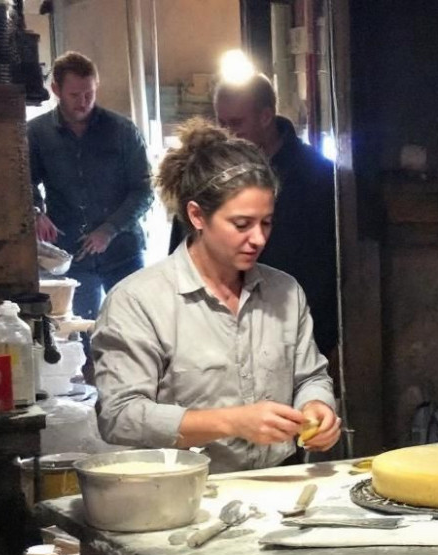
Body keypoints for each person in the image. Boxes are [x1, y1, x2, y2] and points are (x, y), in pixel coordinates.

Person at [92, 119, 341, 473]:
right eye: (241, 224)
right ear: (197, 215)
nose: (258, 238)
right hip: (182, 492)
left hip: (279, 483)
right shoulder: (138, 302)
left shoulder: (284, 291)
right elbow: (120, 416)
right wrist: (231, 421)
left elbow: (310, 377)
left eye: (266, 222)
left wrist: (319, 407)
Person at [169, 73, 339, 358]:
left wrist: (324, 337)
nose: (227, 133)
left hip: (293, 324)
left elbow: (331, 263)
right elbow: (182, 248)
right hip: (220, 327)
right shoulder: (205, 176)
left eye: (236, 123)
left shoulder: (318, 177)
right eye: (221, 122)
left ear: (265, 117)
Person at [28, 51, 152, 322]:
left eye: (89, 94)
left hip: (123, 250)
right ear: (56, 90)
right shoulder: (36, 133)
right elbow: (22, 180)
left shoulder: (122, 131)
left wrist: (109, 229)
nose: (83, 103)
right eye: (75, 95)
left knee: (138, 327)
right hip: (70, 253)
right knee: (78, 334)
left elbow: (144, 189)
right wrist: (36, 211)